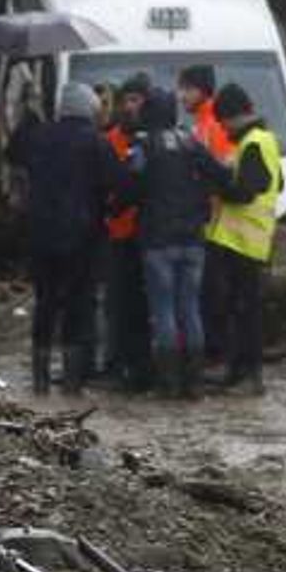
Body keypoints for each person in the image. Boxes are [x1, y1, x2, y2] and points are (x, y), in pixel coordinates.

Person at [10, 81, 118, 391]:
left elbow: (12, 153)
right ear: (89, 109)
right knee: (77, 305)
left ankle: (40, 382)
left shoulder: (39, 136)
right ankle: (72, 385)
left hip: (41, 236)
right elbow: (119, 184)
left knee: (45, 303)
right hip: (83, 239)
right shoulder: (96, 143)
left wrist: (28, 116)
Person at [125, 88, 223, 397]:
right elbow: (220, 173)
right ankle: (193, 383)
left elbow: (131, 187)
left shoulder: (143, 146)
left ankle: (168, 383)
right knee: (190, 308)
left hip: (158, 240)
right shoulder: (190, 141)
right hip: (193, 239)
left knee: (164, 310)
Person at [202, 81, 285, 390]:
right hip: (253, 240)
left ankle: (242, 373)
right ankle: (246, 373)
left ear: (235, 116)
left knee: (240, 311)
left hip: (240, 242)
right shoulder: (265, 141)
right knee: (246, 309)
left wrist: (218, 180)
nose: (222, 128)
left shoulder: (252, 143)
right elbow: (277, 185)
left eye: (223, 121)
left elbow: (245, 192)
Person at [97, 72, 154, 391]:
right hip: (116, 235)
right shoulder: (110, 140)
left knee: (143, 306)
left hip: (146, 235)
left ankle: (142, 364)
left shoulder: (153, 139)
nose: (132, 106)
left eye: (138, 100)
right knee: (117, 303)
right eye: (128, 100)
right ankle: (116, 362)